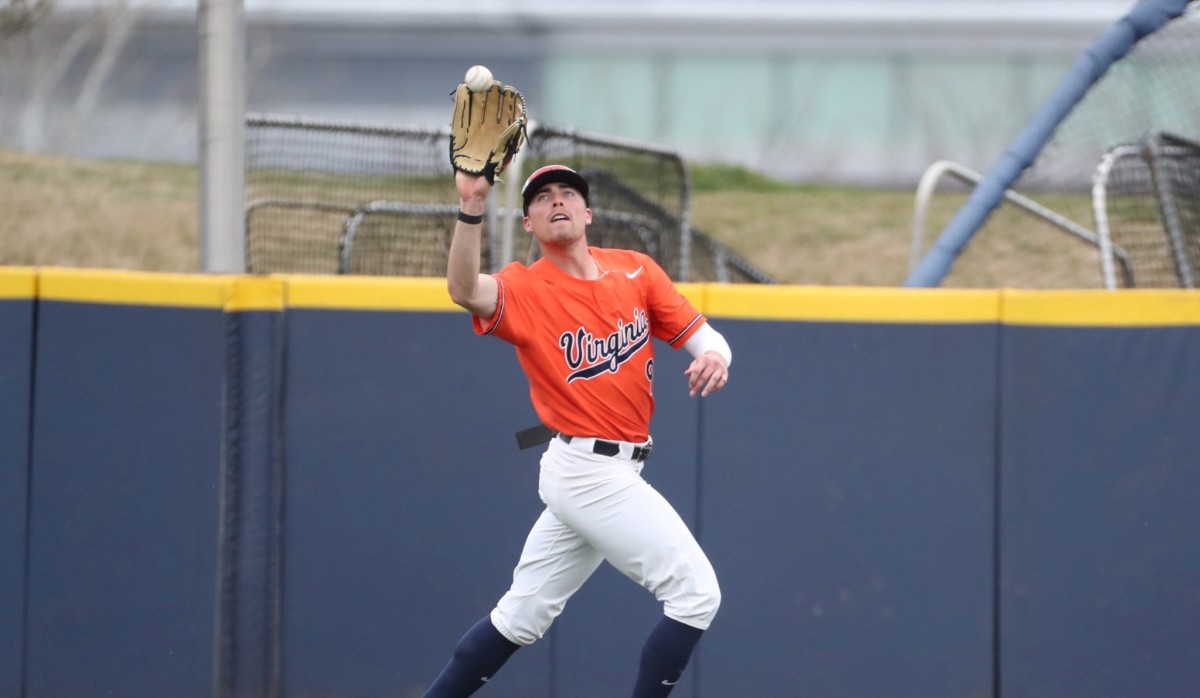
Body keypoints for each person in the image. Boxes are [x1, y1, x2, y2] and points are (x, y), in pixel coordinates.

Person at [424, 164, 732, 697]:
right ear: (529, 223)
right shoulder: (525, 287)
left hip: (609, 468)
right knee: (696, 593)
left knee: (520, 617)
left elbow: (706, 337)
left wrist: (715, 357)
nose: (557, 201)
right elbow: (462, 289)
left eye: (568, 193)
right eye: (542, 198)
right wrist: (472, 205)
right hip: (588, 471)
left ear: (588, 213)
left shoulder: (635, 271)